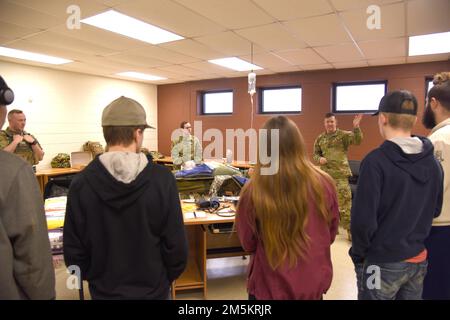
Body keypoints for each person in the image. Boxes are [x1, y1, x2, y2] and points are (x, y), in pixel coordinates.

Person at [63, 96, 188, 299]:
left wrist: (91, 277)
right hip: (153, 290)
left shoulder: (80, 183)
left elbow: (73, 249)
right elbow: (177, 246)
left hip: (103, 291)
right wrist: (165, 279)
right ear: (137, 133)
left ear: (106, 133)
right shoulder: (162, 180)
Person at [349, 90, 443, 300]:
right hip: (418, 261)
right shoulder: (434, 164)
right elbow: (435, 210)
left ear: (382, 119)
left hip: (379, 264)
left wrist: (360, 255)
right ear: (415, 120)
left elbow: (363, 222)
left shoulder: (374, 162)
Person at [236, 116, 339, 300]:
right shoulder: (325, 183)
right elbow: (329, 235)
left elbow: (248, 243)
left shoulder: (254, 190)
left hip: (269, 287)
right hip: (311, 285)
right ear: (298, 143)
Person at [0, 75, 55, 299]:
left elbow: (41, 156)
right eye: (19, 120)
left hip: (29, 177)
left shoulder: (30, 136)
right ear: (8, 118)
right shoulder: (4, 136)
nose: (22, 123)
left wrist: (31, 143)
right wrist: (16, 140)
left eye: (24, 119)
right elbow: (5, 157)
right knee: (27, 237)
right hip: (13, 180)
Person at [421, 72, 450, 300]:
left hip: (440, 230)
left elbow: (430, 195)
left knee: (435, 290)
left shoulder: (438, 141)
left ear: (434, 102)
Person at [313, 112, 363, 240]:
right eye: (327, 122)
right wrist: (319, 159)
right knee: (326, 205)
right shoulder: (320, 138)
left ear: (336, 122)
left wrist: (356, 127)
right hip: (326, 177)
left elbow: (357, 141)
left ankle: (351, 232)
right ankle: (331, 229)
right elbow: (315, 154)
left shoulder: (343, 136)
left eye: (332, 121)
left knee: (345, 206)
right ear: (324, 123)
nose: (330, 124)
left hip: (340, 176)